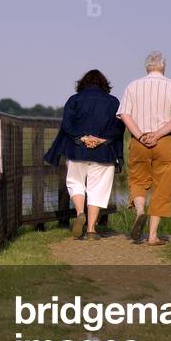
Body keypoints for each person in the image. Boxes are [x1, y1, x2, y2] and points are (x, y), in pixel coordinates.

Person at [116, 51, 171, 246]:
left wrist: (141, 135)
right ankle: (152, 236)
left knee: (138, 179)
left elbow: (124, 114)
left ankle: (140, 211)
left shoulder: (132, 86)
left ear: (146, 67)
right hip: (164, 141)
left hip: (138, 140)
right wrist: (157, 135)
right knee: (162, 186)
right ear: (163, 67)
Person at [44, 69, 125, 240]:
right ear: (104, 84)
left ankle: (80, 213)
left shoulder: (74, 100)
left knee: (75, 183)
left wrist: (82, 138)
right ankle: (91, 230)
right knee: (98, 189)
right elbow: (119, 127)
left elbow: (66, 125)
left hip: (77, 150)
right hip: (104, 153)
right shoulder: (113, 102)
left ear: (83, 84)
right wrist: (102, 140)